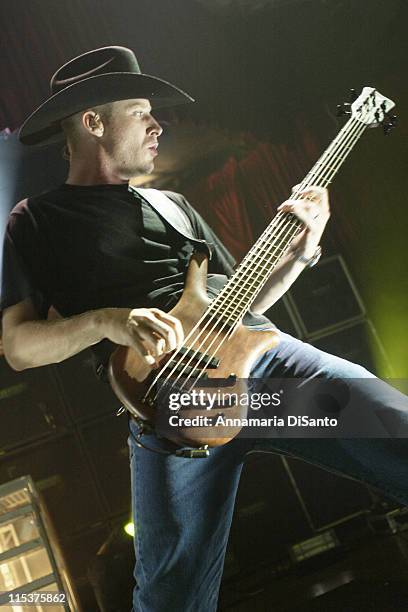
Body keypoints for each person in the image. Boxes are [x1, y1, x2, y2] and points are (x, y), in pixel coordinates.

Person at [1, 46, 407, 611]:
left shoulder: (173, 205)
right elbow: (18, 348)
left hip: (268, 370)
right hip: (172, 409)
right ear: (93, 122)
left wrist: (300, 253)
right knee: (172, 599)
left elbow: (239, 304)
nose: (157, 123)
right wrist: (107, 322)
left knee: (400, 433)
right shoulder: (36, 221)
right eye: (141, 110)